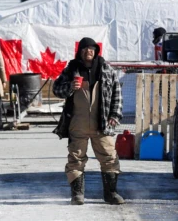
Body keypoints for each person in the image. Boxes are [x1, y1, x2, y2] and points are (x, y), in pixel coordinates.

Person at [52, 38, 124, 206]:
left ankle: (111, 193)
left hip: (103, 122)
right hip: (78, 122)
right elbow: (56, 89)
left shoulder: (106, 69)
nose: (88, 51)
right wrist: (70, 86)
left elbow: (117, 92)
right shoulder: (71, 69)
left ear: (96, 51)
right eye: (85, 49)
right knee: (75, 159)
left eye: (91, 49)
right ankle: (77, 195)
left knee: (109, 157)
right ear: (80, 51)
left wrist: (115, 115)